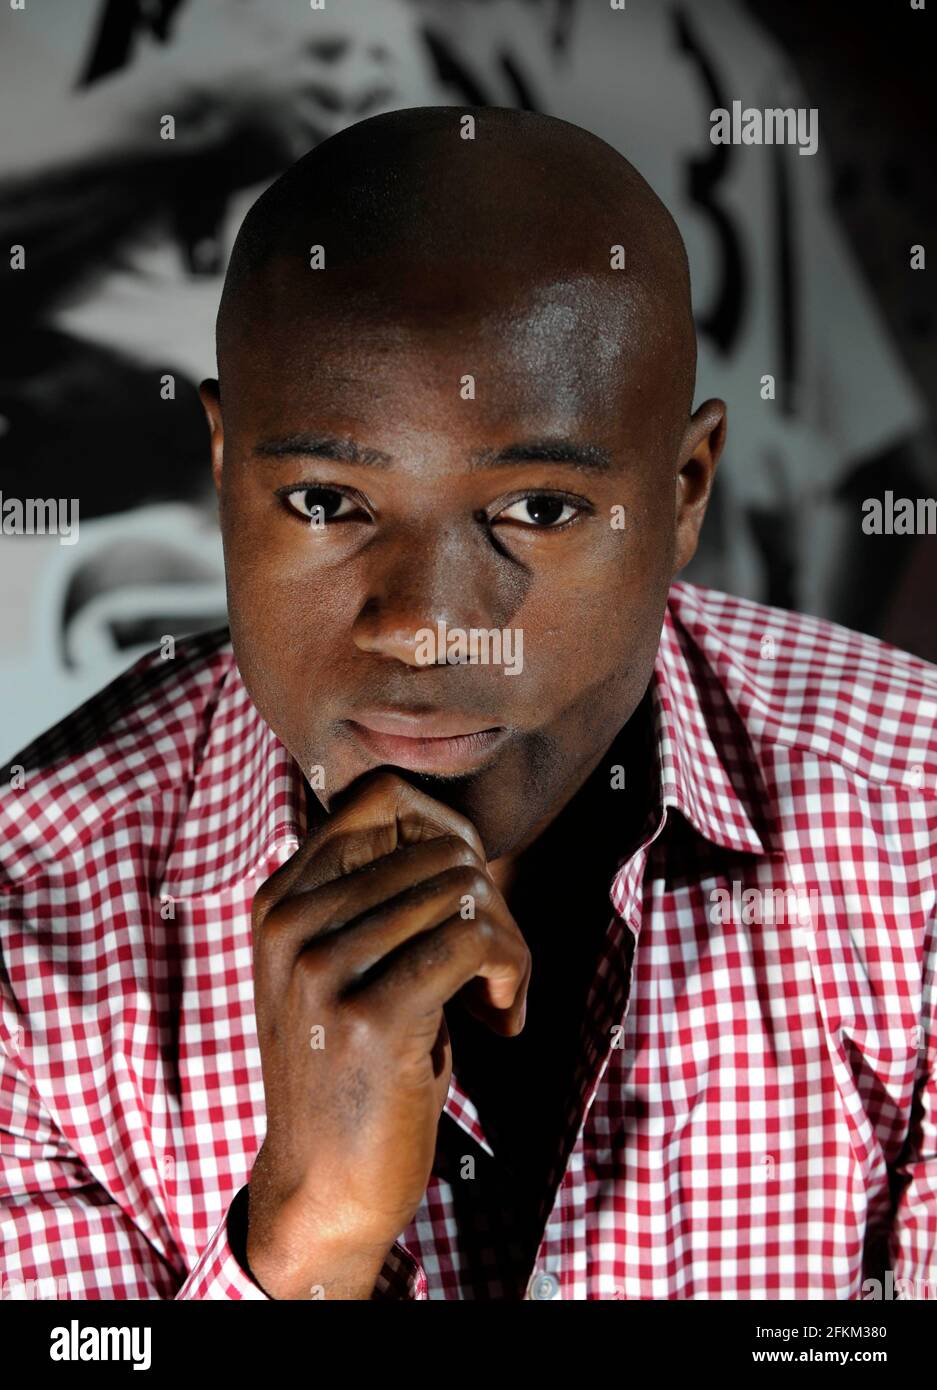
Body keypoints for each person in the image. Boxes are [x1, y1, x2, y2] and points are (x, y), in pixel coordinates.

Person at [1, 107, 934, 1301]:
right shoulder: (29, 942)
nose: (422, 624)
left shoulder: (915, 836)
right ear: (227, 468)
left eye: (537, 509)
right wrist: (303, 1241)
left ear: (684, 489)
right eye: (329, 503)